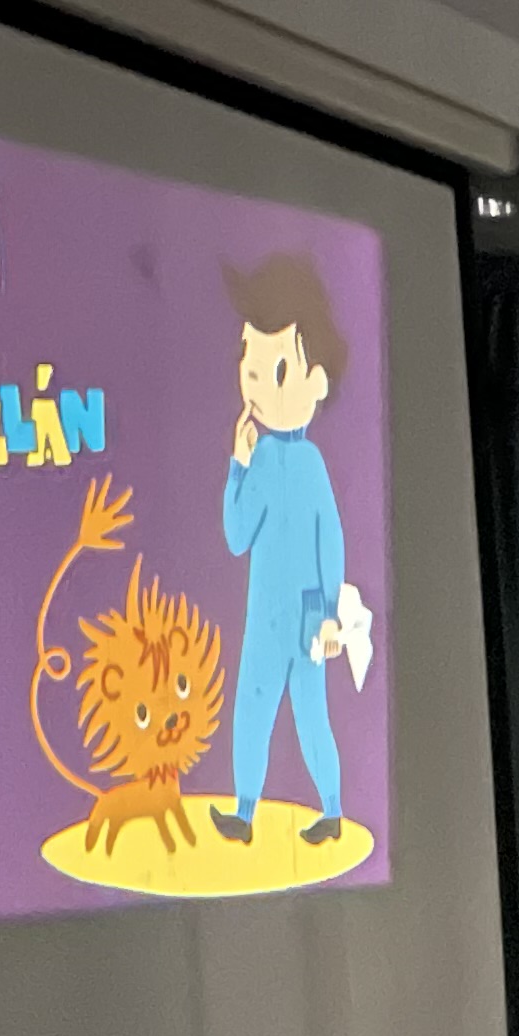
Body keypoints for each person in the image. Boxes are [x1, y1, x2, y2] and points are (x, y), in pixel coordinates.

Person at [211, 250, 356, 846]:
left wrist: (329, 615)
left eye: (272, 367)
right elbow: (236, 534)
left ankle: (332, 810)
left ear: (314, 382)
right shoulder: (264, 457)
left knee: (311, 714)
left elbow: (331, 540)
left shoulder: (311, 464)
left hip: (305, 617)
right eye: (247, 357)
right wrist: (238, 464)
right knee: (251, 709)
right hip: (264, 616)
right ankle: (244, 812)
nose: (252, 376)